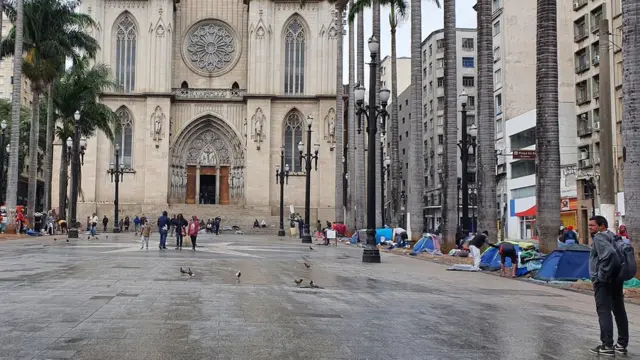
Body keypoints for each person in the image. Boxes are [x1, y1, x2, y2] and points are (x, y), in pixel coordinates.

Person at [588, 215, 629, 356]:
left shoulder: (599, 238)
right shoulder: (613, 236)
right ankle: (621, 345)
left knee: (604, 311)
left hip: (604, 281)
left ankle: (607, 345)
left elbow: (610, 254)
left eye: (592, 225)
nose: (590, 228)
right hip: (617, 279)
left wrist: (601, 275)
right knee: (619, 311)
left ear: (601, 226)